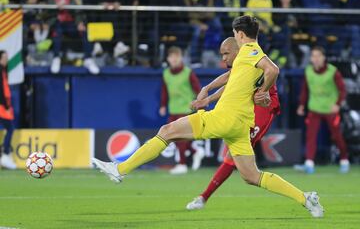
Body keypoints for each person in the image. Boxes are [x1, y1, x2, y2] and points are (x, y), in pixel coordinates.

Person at [92, 15, 324, 218]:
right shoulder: (249, 58)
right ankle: (306, 198)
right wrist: (208, 95)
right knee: (252, 176)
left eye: (235, 33)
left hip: (224, 118)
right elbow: (233, 79)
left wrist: (263, 92)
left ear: (240, 34)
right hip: (240, 125)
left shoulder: (249, 50)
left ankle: (119, 170)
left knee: (166, 131)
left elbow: (274, 69)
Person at [185, 36, 280, 210]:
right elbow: (230, 80)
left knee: (233, 158)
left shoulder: (251, 54)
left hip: (262, 108)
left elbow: (272, 70)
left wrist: (208, 95)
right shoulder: (242, 59)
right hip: (248, 105)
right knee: (235, 158)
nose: (223, 58)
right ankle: (203, 197)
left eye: (226, 54)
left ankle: (203, 197)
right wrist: (207, 91)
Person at [296, 46, 350, 174]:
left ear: (323, 57)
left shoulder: (333, 71)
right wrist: (302, 105)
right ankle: (309, 163)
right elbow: (305, 90)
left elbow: (342, 90)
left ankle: (344, 160)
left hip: (330, 109)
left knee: (337, 136)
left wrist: (337, 104)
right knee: (311, 136)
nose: (315, 59)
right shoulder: (308, 71)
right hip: (314, 109)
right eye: (313, 56)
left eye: (318, 56)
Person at [159, 46, 204, 174]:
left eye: (176, 57)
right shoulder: (166, 73)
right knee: (175, 137)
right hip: (173, 109)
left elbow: (197, 88)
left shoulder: (188, 72)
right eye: (171, 57)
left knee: (180, 137)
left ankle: (182, 164)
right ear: (168, 59)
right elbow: (164, 91)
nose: (174, 59)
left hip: (186, 109)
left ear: (180, 58)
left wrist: (200, 103)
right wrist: (163, 105)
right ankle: (196, 152)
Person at [48, 0, 99, 74]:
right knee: (58, 30)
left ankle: (88, 59)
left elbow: (78, 10)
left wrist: (79, 22)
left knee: (84, 31)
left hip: (72, 22)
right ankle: (56, 58)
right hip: (57, 22)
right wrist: (57, 6)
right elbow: (48, 8)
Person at [0, 51, 16, 170]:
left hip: (4, 106)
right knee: (10, 128)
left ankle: (5, 153)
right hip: (1, 106)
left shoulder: (4, 71)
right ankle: (5, 154)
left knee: (9, 128)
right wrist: (5, 104)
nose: (7, 59)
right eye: (5, 57)